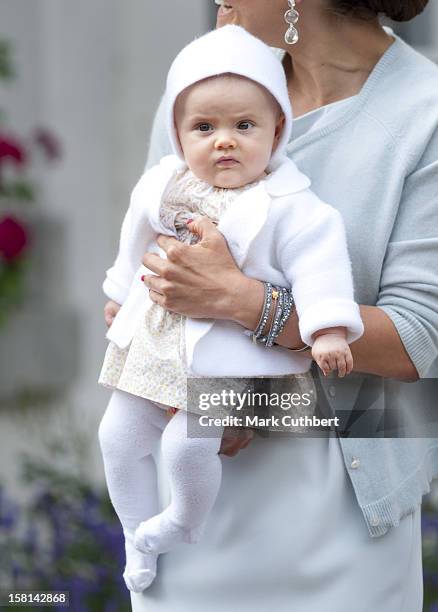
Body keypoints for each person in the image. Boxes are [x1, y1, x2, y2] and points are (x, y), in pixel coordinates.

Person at [105, 1, 438, 611]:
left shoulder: (426, 113)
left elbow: (422, 336)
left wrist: (246, 304)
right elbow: (157, 253)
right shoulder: (203, 85)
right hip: (196, 478)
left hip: (340, 501)